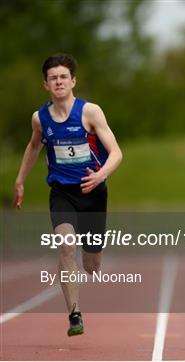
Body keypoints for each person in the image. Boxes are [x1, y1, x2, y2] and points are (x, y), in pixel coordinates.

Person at [13, 54, 123, 336]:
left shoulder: (90, 112)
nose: (59, 82)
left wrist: (101, 174)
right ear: (46, 85)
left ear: (73, 81)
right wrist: (20, 180)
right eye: (53, 78)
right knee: (65, 245)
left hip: (94, 191)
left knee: (92, 265)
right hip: (62, 192)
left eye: (63, 77)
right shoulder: (40, 118)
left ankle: (86, 258)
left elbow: (116, 153)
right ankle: (74, 314)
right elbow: (34, 147)